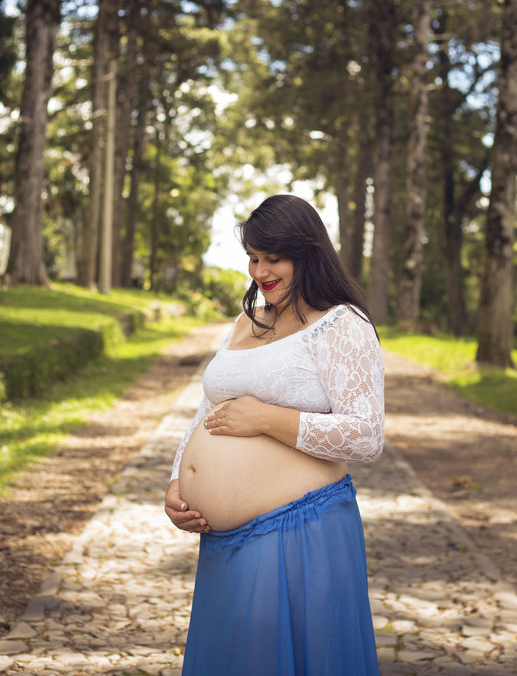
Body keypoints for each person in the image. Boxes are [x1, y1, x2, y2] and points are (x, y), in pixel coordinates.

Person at [164, 194, 384, 676]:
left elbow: (366, 435)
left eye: (273, 258)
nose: (260, 270)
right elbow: (209, 409)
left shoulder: (342, 324)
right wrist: (178, 483)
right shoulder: (247, 321)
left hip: (297, 530)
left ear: (306, 253)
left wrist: (266, 420)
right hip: (223, 540)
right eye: (253, 257)